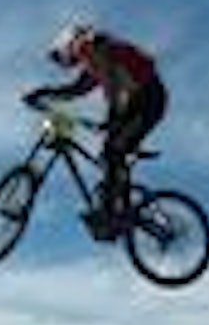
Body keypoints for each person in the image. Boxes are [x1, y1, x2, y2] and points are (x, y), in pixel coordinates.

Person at [23, 22, 168, 239]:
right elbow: (75, 90)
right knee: (110, 154)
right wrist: (43, 92)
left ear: (70, 44)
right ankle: (117, 207)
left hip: (148, 102)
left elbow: (114, 85)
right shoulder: (92, 61)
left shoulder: (93, 48)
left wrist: (112, 117)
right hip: (136, 103)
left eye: (63, 58)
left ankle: (112, 213)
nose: (67, 64)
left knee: (112, 151)